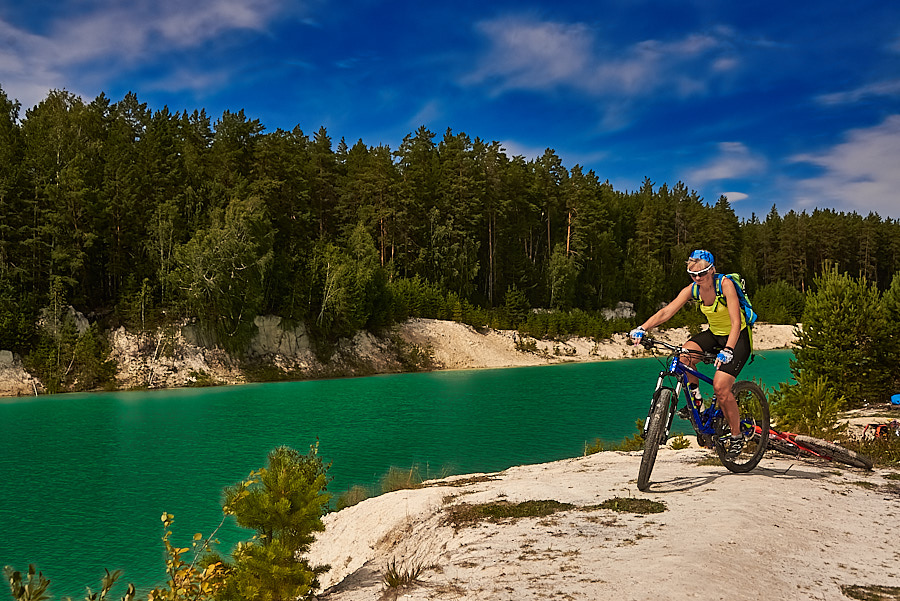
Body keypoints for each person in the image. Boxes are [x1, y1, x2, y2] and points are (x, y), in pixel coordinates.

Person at [629, 249, 752, 458]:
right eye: (692, 274)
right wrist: (643, 327)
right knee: (683, 357)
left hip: (737, 338)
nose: (697, 278)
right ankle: (697, 403)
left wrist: (728, 350)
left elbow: (736, 322)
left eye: (702, 273)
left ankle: (737, 436)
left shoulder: (725, 285)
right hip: (714, 335)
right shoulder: (693, 289)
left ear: (712, 270)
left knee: (721, 388)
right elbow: (667, 311)